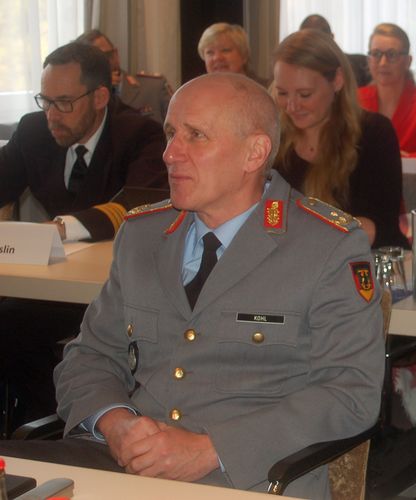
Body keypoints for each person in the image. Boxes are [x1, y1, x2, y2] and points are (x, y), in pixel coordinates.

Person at [0, 72, 384, 498]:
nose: (169, 154)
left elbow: (350, 392)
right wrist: (115, 422)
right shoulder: (143, 233)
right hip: (119, 463)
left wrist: (210, 450)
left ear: (254, 152)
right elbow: (89, 355)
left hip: (249, 477)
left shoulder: (326, 245)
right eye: (170, 134)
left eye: (195, 136)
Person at [0, 42, 168, 433]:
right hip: (51, 285)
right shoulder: (33, 131)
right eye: (45, 101)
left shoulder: (140, 134)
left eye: (64, 103)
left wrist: (60, 227)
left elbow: (134, 207)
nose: (51, 115)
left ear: (99, 98)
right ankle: (30, 429)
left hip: (115, 293)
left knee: (19, 327)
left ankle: (51, 427)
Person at [272, 29, 407, 249]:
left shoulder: (374, 134)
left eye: (305, 94)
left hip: (368, 264)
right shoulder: (272, 139)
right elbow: (267, 218)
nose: (291, 106)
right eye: (282, 93)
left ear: (337, 81)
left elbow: (378, 227)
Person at [357, 23, 416, 173]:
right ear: (369, 60)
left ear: (408, 62)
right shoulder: (356, 99)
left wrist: (393, 161)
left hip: (409, 192)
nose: (383, 63)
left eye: (392, 55)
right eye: (376, 54)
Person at [75, 29, 173, 124]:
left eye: (106, 56)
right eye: (93, 62)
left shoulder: (154, 87)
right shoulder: (79, 99)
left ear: (116, 54)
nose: (103, 64)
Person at [298, 13, 371, 87]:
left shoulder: (362, 65)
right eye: (308, 43)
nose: (315, 50)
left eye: (320, 42)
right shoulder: (294, 72)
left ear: (332, 38)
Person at [198, 22, 268, 86]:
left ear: (244, 56)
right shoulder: (197, 91)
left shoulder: (267, 91)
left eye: (225, 50)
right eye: (210, 52)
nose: (217, 57)